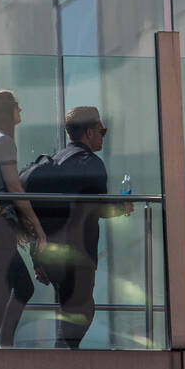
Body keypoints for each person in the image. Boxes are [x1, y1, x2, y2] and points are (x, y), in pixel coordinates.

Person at [32, 106, 131, 349]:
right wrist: (122, 206)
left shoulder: (54, 161)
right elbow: (98, 207)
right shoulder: (91, 164)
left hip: (49, 253)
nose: (102, 135)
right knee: (81, 312)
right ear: (89, 132)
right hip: (76, 254)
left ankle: (64, 364)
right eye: (101, 130)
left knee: (71, 311)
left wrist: (36, 259)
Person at [0, 90, 46, 347]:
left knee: (15, 289)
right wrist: (37, 227)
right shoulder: (3, 141)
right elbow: (14, 189)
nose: (20, 110)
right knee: (6, 293)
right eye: (16, 105)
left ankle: (1, 346)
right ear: (6, 111)